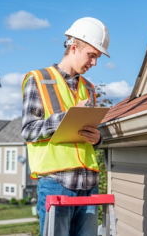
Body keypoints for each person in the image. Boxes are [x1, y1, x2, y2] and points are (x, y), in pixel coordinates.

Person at [21, 17, 110, 236]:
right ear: (73, 47)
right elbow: (28, 131)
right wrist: (65, 117)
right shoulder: (38, 80)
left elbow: (87, 139)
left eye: (97, 58)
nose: (94, 63)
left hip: (89, 183)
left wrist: (97, 138)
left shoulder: (89, 89)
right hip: (57, 182)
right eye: (92, 55)